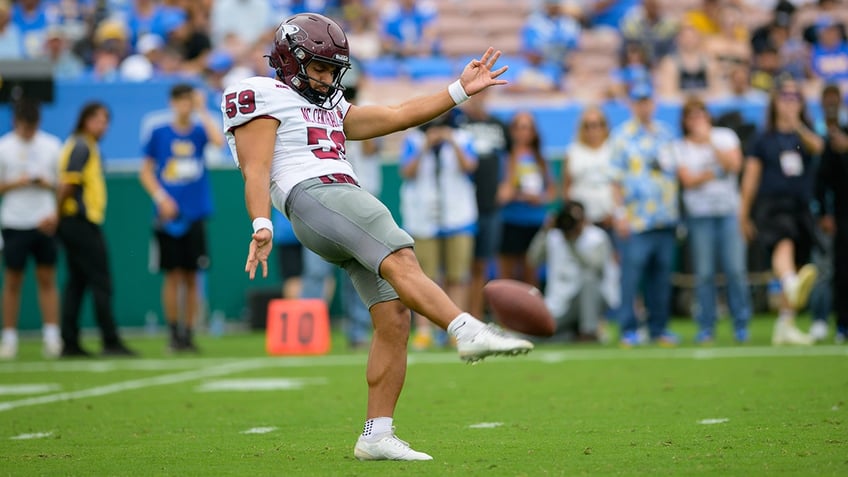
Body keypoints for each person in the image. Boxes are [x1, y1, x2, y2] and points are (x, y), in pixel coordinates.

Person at [221, 13, 533, 461]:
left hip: (338, 203)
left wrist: (459, 90)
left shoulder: (332, 106)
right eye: (320, 68)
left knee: (394, 316)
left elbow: (396, 115)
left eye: (334, 70)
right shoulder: (261, 93)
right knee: (403, 256)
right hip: (316, 194)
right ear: (291, 61)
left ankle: (376, 434)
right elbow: (256, 167)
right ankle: (466, 329)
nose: (328, 78)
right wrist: (261, 224)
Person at [139, 83, 222, 353]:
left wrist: (202, 109)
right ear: (172, 102)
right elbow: (146, 171)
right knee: (172, 275)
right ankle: (173, 333)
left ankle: (189, 333)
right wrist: (162, 199)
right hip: (168, 215)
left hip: (195, 212)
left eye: (190, 101)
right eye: (182, 101)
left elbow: (219, 142)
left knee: (192, 276)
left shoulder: (199, 131)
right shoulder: (159, 132)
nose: (186, 106)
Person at [740, 77, 822, 346]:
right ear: (774, 102)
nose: (789, 103)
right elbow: (751, 178)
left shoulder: (804, 134)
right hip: (772, 205)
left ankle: (785, 323)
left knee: (798, 258)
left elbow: (818, 148)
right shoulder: (763, 139)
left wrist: (796, 123)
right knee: (783, 243)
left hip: (800, 206)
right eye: (784, 97)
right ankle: (788, 282)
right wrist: (744, 213)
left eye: (794, 97)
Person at [57, 102, 137, 357]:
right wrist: (57, 215)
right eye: (98, 120)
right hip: (79, 222)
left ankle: (70, 341)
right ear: (85, 120)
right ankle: (109, 339)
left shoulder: (86, 145)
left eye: (105, 121)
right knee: (100, 281)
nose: (103, 126)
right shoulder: (81, 145)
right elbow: (68, 184)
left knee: (78, 283)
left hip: (78, 222)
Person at [671, 97, 752, 344]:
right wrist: (715, 171)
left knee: (735, 270)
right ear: (685, 121)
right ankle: (706, 326)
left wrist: (710, 144)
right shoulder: (680, 146)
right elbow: (687, 181)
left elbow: (734, 166)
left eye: (701, 115)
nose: (697, 121)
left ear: (708, 116)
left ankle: (741, 324)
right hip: (700, 216)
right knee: (704, 274)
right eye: (691, 116)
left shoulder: (724, 137)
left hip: (728, 212)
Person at [399, 112, 478, 350]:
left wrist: (451, 141)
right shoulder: (414, 140)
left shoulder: (463, 138)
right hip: (422, 218)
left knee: (457, 276)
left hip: (458, 216)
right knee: (425, 277)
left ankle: (457, 329)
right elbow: (407, 172)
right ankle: (425, 331)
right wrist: (426, 145)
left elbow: (470, 166)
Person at [610, 82, 679, 347]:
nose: (643, 106)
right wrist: (620, 214)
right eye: (638, 101)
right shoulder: (622, 136)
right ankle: (628, 328)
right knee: (632, 277)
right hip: (636, 220)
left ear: (655, 103)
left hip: (665, 217)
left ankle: (659, 327)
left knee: (661, 277)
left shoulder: (666, 134)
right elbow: (614, 180)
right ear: (631, 104)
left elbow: (674, 173)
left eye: (647, 100)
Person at [0, 99, 62, 359]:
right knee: (13, 280)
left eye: (32, 127)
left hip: (44, 220)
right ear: (16, 123)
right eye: (24, 127)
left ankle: (51, 336)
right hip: (14, 221)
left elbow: (62, 187)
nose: (28, 132)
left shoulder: (52, 145)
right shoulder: (4, 147)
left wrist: (54, 210)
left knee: (47, 278)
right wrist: (18, 182)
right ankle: (9, 338)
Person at [454, 88, 510, 320]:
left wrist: (507, 184)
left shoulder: (498, 124)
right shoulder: (457, 121)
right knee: (457, 267)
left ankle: (474, 316)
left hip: (488, 203)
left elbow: (512, 153)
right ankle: (455, 317)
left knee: (480, 264)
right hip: (459, 205)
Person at [532, 201, 619, 342]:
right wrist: (544, 231)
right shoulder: (553, 236)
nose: (571, 224)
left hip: (591, 300)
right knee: (536, 334)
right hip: (559, 303)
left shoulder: (597, 237)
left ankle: (588, 332)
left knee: (589, 279)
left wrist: (571, 243)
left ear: (584, 219)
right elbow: (533, 260)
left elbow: (596, 269)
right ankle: (570, 334)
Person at [496, 111, 556, 287]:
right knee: (507, 275)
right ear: (512, 131)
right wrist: (518, 194)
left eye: (528, 128)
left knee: (531, 273)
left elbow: (552, 192)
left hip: (534, 221)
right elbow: (502, 195)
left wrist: (540, 198)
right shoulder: (504, 158)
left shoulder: (541, 159)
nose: (524, 132)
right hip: (511, 220)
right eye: (519, 127)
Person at [816, 87, 848, 344]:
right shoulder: (827, 136)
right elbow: (822, 180)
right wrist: (825, 212)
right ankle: (842, 324)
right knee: (841, 269)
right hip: (841, 213)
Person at [562, 106, 615, 231]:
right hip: (582, 222)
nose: (592, 130)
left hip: (610, 219)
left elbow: (621, 184)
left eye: (596, 124)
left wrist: (616, 212)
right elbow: (566, 186)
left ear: (604, 126)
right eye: (587, 125)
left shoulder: (614, 149)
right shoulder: (573, 151)